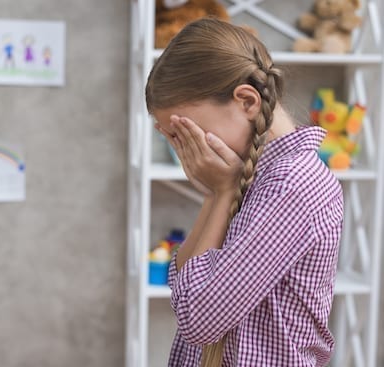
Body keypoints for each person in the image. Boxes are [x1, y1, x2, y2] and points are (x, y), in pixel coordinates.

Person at [145, 18, 344, 367]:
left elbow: (198, 319)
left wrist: (221, 193)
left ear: (248, 102)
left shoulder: (292, 186)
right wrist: (214, 194)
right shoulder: (249, 175)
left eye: (192, 134)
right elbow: (183, 286)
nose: (188, 151)